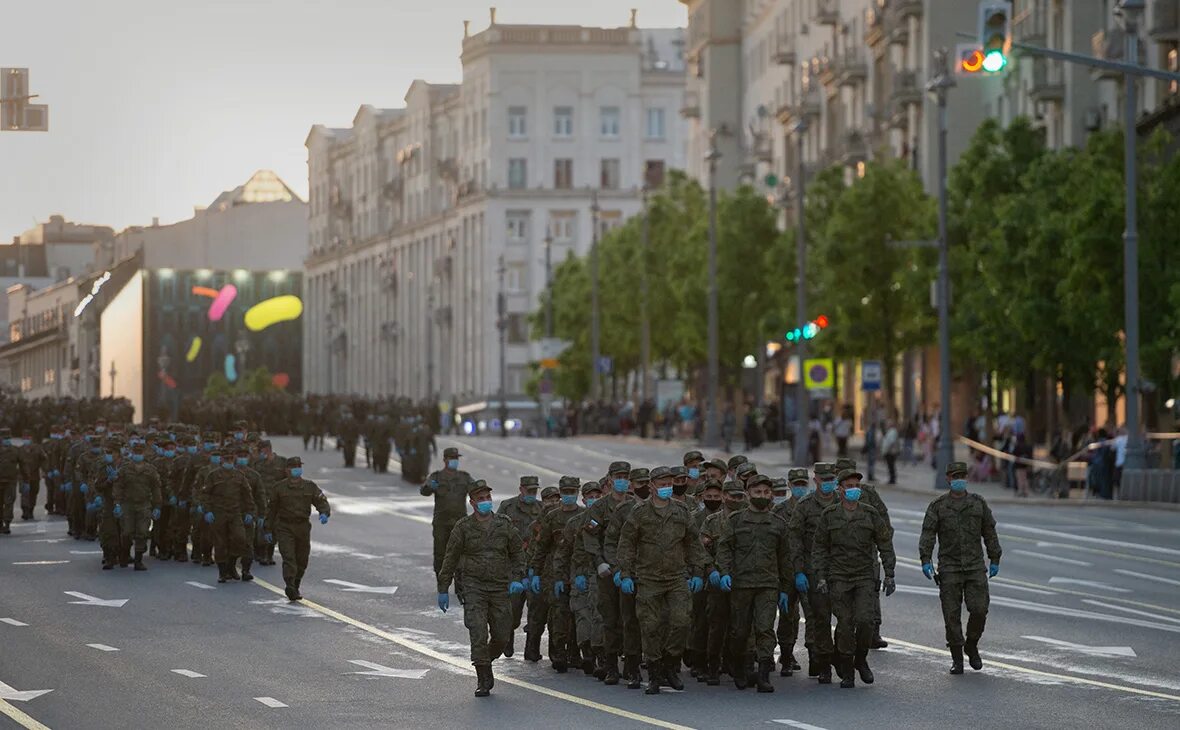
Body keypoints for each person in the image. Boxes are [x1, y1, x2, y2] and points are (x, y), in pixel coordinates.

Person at [617, 467, 707, 694]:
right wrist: (626, 574)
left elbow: (693, 542)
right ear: (652, 486)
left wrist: (698, 572)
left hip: (676, 577)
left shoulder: (681, 511)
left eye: (670, 483)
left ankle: (670, 664)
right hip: (648, 578)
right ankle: (655, 673)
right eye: (663, 483)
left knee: (681, 622)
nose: (667, 487)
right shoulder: (639, 513)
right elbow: (627, 544)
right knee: (650, 626)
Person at [436, 480, 526, 697]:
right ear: (472, 502)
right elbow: (450, 557)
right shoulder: (463, 527)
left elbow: (517, 553)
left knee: (502, 635)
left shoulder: (504, 524)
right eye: (481, 499)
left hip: (499, 587)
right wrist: (443, 587)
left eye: (488, 498)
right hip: (473, 587)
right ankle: (483, 676)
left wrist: (518, 577)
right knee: (477, 631)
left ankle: (487, 658)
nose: (486, 502)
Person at [812, 468, 896, 689]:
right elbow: (819, 547)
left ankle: (861, 659)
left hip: (864, 576)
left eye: (856, 486)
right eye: (849, 487)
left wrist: (890, 574)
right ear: (840, 490)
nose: (854, 490)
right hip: (838, 577)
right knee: (846, 624)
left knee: (866, 621)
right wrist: (820, 576)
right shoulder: (829, 515)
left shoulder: (869, 513)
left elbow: (884, 544)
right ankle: (848, 671)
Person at [919, 461, 1002, 674]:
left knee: (979, 609)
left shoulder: (978, 503)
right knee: (951, 615)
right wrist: (925, 559)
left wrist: (995, 558)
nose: (959, 480)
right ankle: (957, 657)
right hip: (949, 568)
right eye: (955, 476)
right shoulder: (938, 506)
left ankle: (971, 644)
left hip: (975, 567)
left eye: (962, 476)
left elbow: (989, 531)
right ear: (948, 479)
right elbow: (928, 534)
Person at [714, 474, 792, 693]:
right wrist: (725, 572)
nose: (763, 496)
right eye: (758, 492)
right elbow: (724, 548)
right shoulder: (736, 520)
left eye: (767, 492)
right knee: (740, 631)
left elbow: (785, 558)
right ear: (748, 494)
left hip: (768, 584)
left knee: (765, 629)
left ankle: (764, 673)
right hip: (741, 584)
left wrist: (786, 589)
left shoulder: (778, 524)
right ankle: (741, 667)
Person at [788, 462, 839, 682]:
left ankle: (846, 659)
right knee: (820, 618)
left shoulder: (844, 501)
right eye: (824, 479)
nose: (828, 483)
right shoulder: (805, 505)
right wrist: (798, 571)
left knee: (849, 619)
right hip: (814, 571)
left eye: (831, 479)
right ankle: (823, 661)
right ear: (816, 480)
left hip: (842, 571)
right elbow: (795, 539)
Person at [529, 476, 585, 673]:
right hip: (554, 573)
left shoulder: (584, 515)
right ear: (561, 493)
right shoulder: (552, 517)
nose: (569, 495)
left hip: (578, 571)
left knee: (577, 615)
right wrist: (535, 572)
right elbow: (541, 547)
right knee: (558, 616)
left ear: (577, 492)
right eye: (566, 492)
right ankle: (558, 654)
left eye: (572, 491)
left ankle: (575, 653)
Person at [265, 456, 331, 601]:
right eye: (293, 467)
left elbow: (320, 500)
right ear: (287, 470)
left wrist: (324, 512)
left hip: (302, 527)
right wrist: (268, 529)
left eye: (298, 466)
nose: (296, 469)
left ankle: (296, 584)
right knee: (289, 557)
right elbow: (271, 510)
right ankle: (289, 585)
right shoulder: (278, 488)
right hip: (284, 526)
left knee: (302, 559)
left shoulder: (309, 486)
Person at [497, 475, 542, 659]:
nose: (531, 493)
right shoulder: (507, 507)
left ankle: (532, 649)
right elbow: (498, 531)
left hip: (534, 565)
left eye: (534, 490)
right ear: (521, 489)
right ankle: (508, 637)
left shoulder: (541, 509)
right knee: (513, 608)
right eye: (528, 490)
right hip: (513, 567)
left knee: (536, 610)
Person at [421, 447, 475, 591]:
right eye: (452, 458)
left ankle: (460, 585)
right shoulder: (437, 477)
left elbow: (475, 490)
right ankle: (442, 584)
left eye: (456, 458)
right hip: (442, 522)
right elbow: (424, 491)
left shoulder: (464, 477)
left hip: (460, 523)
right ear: (445, 460)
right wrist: (429, 487)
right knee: (440, 554)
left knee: (461, 554)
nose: (455, 461)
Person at [201, 448, 256, 583]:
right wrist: (207, 510)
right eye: (226, 459)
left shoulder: (239, 476)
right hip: (218, 513)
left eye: (231, 459)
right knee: (220, 543)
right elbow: (205, 494)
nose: (229, 462)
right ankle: (222, 572)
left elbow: (247, 495)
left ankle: (231, 564)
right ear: (221, 460)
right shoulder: (213, 475)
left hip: (235, 512)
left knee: (240, 538)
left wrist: (250, 511)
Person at [112, 442, 163, 571]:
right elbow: (118, 487)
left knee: (143, 532)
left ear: (144, 454)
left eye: (140, 453)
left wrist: (157, 506)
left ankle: (138, 560)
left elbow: (156, 488)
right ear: (132, 453)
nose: (138, 455)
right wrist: (117, 503)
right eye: (136, 453)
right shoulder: (125, 469)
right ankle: (124, 555)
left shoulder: (151, 470)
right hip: (127, 504)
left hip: (144, 504)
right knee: (127, 531)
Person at [0, 428, 21, 534]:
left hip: (10, 481)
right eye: (4, 438)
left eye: (8, 438)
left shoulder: (15, 450)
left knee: (8, 503)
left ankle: (7, 523)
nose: (6, 440)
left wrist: (25, 480)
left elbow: (23, 465)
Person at [881, 420, 900, 485]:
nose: (887, 425)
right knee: (890, 466)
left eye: (888, 424)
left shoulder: (893, 432)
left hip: (891, 452)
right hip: (889, 451)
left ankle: (892, 479)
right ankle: (891, 478)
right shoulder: (890, 431)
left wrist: (887, 449)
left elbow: (891, 442)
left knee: (891, 466)